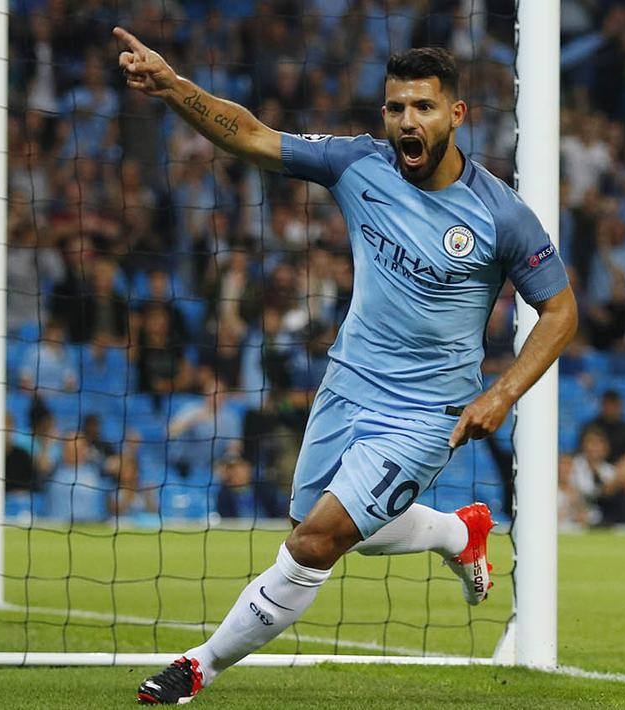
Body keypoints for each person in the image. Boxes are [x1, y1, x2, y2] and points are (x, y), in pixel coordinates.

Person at [116, 31, 577, 704]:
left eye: (422, 107)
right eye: (395, 108)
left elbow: (560, 312)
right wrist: (172, 86)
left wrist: (503, 394)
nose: (406, 122)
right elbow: (249, 135)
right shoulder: (357, 164)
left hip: (428, 412)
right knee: (316, 522)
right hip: (346, 384)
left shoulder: (500, 215)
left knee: (316, 542)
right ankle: (459, 530)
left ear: (457, 115)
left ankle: (197, 666)